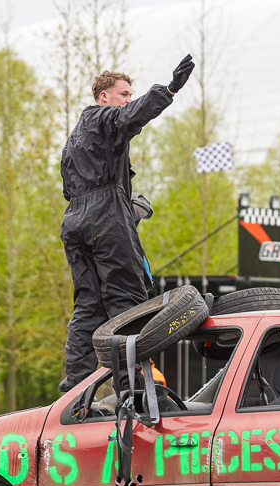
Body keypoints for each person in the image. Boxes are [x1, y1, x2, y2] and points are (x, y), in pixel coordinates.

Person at [58, 56, 195, 393]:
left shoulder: (75, 139)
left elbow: (71, 191)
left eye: (130, 93)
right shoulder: (104, 117)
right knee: (127, 300)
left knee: (89, 304)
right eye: (123, 93)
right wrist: (170, 89)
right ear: (103, 96)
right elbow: (131, 115)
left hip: (76, 220)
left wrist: (126, 209)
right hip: (103, 214)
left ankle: (75, 384)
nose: (128, 99)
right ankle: (132, 388)